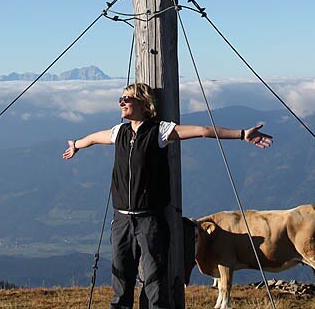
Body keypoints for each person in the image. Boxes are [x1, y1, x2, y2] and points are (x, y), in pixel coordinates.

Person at [63, 82, 273, 309]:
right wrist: (76, 145)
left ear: (144, 103)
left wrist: (242, 135)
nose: (122, 102)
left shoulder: (159, 131)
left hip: (149, 219)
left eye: (127, 98)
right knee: (121, 278)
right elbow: (93, 138)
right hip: (122, 219)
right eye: (121, 98)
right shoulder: (119, 132)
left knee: (155, 279)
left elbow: (203, 131)